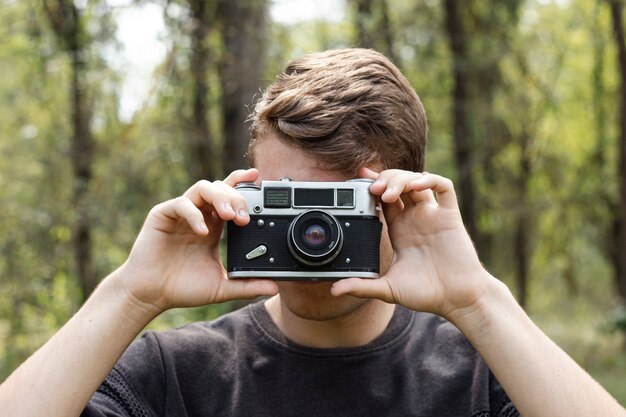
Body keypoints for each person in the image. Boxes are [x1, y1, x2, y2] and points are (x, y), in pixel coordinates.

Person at [0, 48, 624, 417]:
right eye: (284, 201)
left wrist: (478, 299)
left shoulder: (482, 376)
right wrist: (131, 294)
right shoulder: (173, 376)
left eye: (338, 205)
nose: (312, 234)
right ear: (243, 192)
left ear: (402, 199)